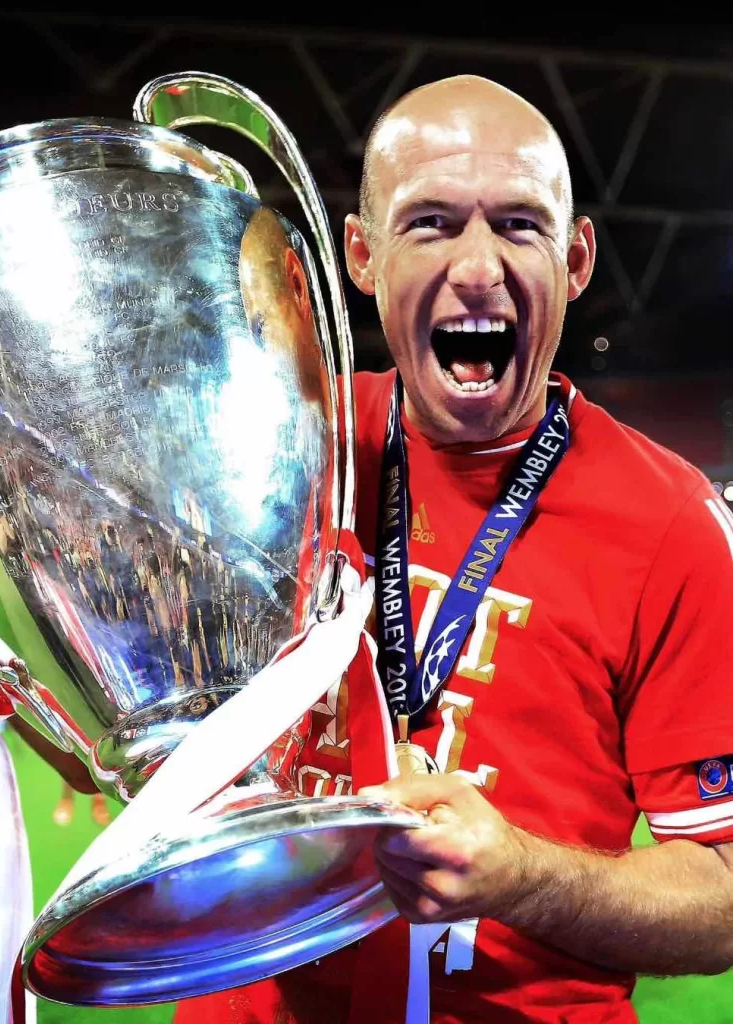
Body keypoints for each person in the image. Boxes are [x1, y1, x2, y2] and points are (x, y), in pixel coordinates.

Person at [173, 75, 733, 1023]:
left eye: (518, 225)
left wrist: (524, 878)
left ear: (575, 259)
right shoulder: (277, 453)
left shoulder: (670, 523)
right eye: (430, 223)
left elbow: (721, 900)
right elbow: (143, 738)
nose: (477, 268)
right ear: (362, 254)